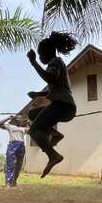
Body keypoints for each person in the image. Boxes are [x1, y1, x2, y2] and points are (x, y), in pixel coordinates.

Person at [26, 32, 77, 178]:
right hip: (64, 106)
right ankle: (55, 134)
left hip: (63, 105)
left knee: (34, 131)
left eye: (40, 55)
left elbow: (49, 78)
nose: (40, 58)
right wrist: (38, 94)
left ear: (47, 52)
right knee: (32, 114)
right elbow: (55, 87)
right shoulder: (57, 63)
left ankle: (53, 155)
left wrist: (33, 62)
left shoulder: (55, 62)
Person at [0, 115, 29, 188]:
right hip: (12, 145)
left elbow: (31, 130)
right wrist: (9, 117)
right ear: (15, 120)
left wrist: (28, 123)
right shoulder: (10, 126)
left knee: (18, 165)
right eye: (19, 118)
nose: (20, 119)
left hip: (21, 146)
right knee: (10, 165)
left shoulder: (23, 128)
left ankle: (14, 182)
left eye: (21, 118)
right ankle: (8, 183)